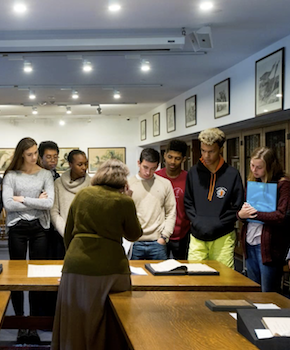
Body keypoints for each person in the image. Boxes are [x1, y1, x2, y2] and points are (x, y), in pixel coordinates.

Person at [51, 159, 142, 350]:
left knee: (76, 318)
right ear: (124, 183)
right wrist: (129, 199)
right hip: (111, 266)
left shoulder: (83, 195)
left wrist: (73, 258)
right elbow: (133, 234)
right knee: (111, 318)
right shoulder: (124, 201)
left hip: (77, 263)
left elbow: (68, 233)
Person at [2, 137, 54, 344]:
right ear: (21, 154)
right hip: (17, 228)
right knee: (16, 277)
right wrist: (35, 202)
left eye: (35, 153)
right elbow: (7, 204)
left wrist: (21, 198)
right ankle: (20, 322)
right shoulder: (11, 175)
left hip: (40, 228)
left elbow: (49, 203)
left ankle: (32, 323)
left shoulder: (45, 174)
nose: (34, 157)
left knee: (36, 277)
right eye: (30, 154)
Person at [184, 128, 244, 268]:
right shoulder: (193, 172)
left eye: (211, 151)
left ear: (221, 149)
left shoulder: (232, 174)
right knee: (194, 278)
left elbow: (237, 205)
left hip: (223, 236)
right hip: (197, 236)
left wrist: (219, 222)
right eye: (203, 150)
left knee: (224, 279)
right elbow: (188, 202)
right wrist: (197, 221)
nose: (206, 155)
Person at [238, 147, 290, 292]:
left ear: (270, 166)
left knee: (268, 293)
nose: (254, 170)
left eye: (259, 167)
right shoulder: (253, 182)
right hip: (250, 242)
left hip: (269, 246)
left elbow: (281, 216)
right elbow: (244, 211)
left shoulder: (282, 184)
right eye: (252, 165)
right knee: (252, 291)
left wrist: (255, 213)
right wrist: (241, 215)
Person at [128, 148, 176, 260]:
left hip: (157, 242)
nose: (148, 172)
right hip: (135, 242)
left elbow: (171, 212)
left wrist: (164, 237)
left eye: (153, 168)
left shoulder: (165, 184)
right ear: (139, 163)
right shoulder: (128, 184)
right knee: (134, 277)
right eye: (145, 167)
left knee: (161, 277)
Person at [156, 140, 190, 259]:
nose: (172, 162)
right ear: (164, 155)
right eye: (170, 157)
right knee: (158, 271)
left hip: (182, 234)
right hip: (158, 234)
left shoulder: (189, 179)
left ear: (184, 159)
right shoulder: (155, 177)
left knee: (181, 272)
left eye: (177, 158)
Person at [51, 150, 90, 243]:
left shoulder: (92, 184)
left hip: (84, 236)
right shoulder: (58, 183)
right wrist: (66, 233)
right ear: (70, 164)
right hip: (61, 235)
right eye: (80, 164)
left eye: (86, 164)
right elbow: (54, 211)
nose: (84, 167)